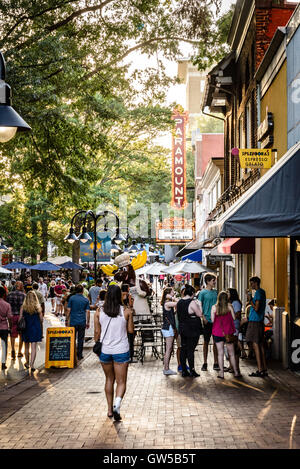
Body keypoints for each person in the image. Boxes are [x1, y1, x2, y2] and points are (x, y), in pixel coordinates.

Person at [94, 284, 134, 421]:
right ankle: (117, 404)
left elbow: (97, 333)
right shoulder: (126, 311)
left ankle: (110, 410)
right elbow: (130, 331)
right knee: (121, 381)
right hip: (121, 350)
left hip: (105, 350)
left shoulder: (99, 311)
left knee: (109, 379)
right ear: (119, 295)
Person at [211, 291, 240, 379]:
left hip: (217, 332)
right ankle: (236, 372)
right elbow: (234, 318)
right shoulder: (230, 306)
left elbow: (212, 320)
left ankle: (221, 373)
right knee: (231, 353)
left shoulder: (214, 307)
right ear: (227, 298)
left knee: (220, 353)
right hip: (228, 333)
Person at [177, 285, 203, 378]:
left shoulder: (179, 302)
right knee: (190, 350)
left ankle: (184, 370)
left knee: (183, 349)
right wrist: (199, 305)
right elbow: (200, 314)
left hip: (182, 329)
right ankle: (192, 370)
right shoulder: (192, 302)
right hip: (192, 329)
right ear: (192, 293)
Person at [245, 276, 267, 377]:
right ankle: (264, 368)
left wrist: (250, 301)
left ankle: (259, 369)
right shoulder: (262, 292)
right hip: (260, 321)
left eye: (251, 283)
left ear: (255, 283)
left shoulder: (258, 292)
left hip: (255, 321)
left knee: (255, 344)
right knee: (260, 344)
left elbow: (256, 308)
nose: (251, 285)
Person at [197, 273, 219, 371]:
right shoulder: (202, 293)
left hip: (216, 320)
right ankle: (205, 363)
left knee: (216, 342)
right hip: (207, 320)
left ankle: (216, 362)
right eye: (213, 280)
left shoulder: (216, 292)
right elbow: (199, 305)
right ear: (208, 281)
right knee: (205, 342)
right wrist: (203, 317)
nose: (214, 282)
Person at [19, 290, 43, 371]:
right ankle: (32, 365)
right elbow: (41, 319)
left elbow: (20, 319)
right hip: (35, 328)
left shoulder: (23, 307)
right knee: (33, 348)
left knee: (26, 346)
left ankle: (27, 362)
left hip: (26, 328)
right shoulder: (38, 307)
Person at [66, 284, 90, 360]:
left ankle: (72, 354)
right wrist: (88, 322)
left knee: (72, 338)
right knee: (80, 339)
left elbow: (68, 310)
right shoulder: (86, 300)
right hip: (82, 321)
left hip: (73, 321)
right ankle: (80, 354)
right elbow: (88, 312)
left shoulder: (72, 298)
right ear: (82, 291)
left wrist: (66, 319)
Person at [161, 287, 178, 375]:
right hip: (168, 328)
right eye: (172, 291)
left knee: (169, 348)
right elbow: (179, 302)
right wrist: (172, 297)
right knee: (168, 349)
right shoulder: (167, 303)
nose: (174, 292)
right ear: (168, 293)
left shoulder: (167, 303)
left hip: (168, 327)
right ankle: (166, 368)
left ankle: (166, 368)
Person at [7, 280, 26, 359]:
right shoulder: (24, 295)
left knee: (12, 334)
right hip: (20, 317)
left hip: (12, 316)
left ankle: (13, 350)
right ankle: (19, 352)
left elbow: (8, 306)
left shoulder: (10, 294)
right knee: (21, 334)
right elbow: (24, 307)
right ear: (21, 287)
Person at [226, 288, 242, 373]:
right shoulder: (230, 303)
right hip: (231, 326)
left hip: (234, 326)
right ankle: (231, 366)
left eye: (228, 292)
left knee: (234, 347)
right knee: (230, 346)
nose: (226, 293)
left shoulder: (235, 303)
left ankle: (235, 367)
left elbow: (237, 314)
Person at [0, 286, 13, 370]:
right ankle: (3, 363)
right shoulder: (7, 305)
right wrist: (10, 327)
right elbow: (9, 317)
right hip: (4, 327)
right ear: (4, 294)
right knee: (4, 345)